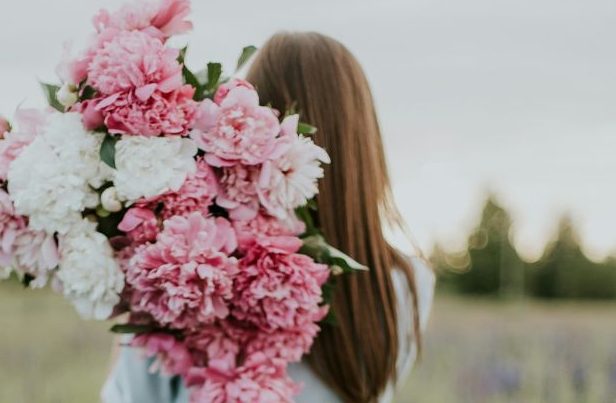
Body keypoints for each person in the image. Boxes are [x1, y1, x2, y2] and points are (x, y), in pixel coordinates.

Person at [102, 31, 435, 403]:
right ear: (362, 143)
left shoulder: (194, 280)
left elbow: (130, 398)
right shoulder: (407, 286)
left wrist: (137, 290)